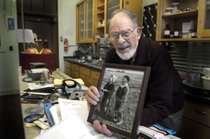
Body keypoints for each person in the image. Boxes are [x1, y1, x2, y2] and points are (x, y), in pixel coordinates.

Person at [85, 9, 184, 136]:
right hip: (139, 109)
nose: (120, 40)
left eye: (126, 33)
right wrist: (93, 98)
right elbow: (106, 86)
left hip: (166, 112)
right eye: (114, 35)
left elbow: (161, 107)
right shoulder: (111, 55)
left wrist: (116, 124)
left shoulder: (158, 54)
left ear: (138, 33)